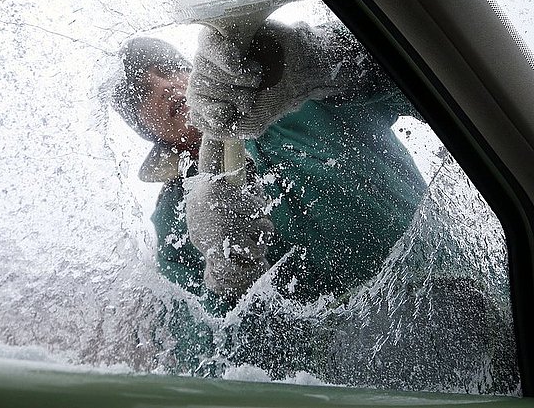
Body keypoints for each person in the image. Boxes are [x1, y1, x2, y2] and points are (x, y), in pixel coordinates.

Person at [111, 19, 426, 316]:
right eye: (143, 91)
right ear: (142, 126)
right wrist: (227, 285)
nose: (165, 87)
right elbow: (209, 356)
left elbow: (426, 83)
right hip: (354, 353)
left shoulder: (300, 94)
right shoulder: (172, 225)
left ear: (197, 73)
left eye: (169, 69)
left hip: (443, 273)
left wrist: (322, 61)